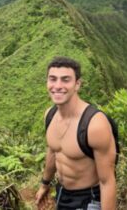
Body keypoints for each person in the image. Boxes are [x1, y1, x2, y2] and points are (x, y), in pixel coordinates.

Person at [35, 56, 116, 210]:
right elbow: (53, 150)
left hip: (88, 198)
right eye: (52, 79)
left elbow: (107, 182)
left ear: (77, 84)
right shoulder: (50, 116)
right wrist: (45, 184)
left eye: (65, 80)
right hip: (62, 193)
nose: (57, 86)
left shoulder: (94, 125)